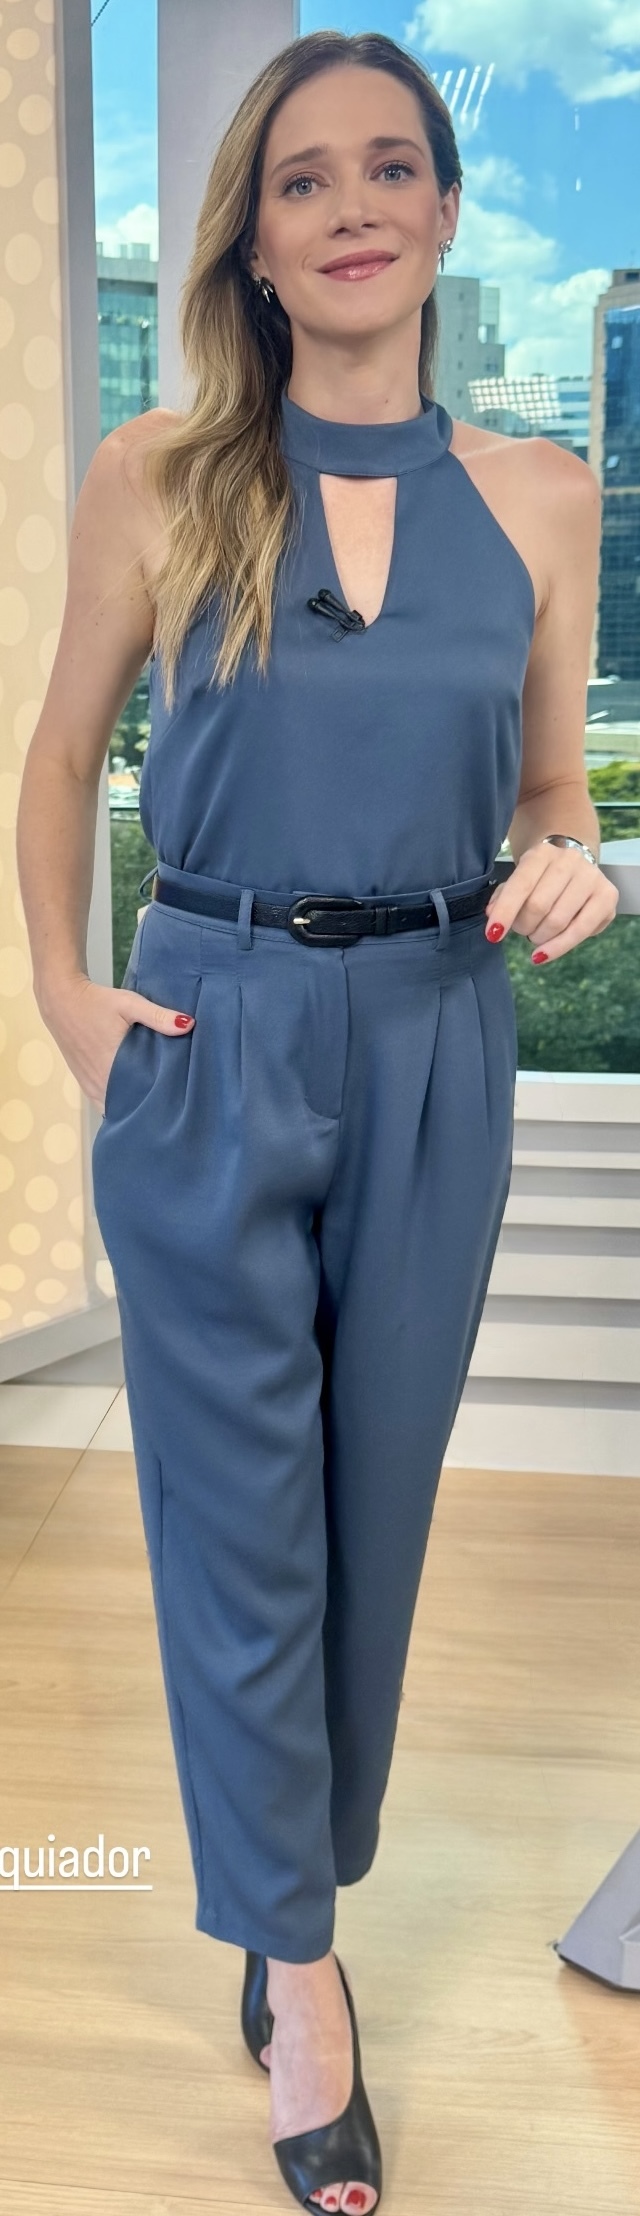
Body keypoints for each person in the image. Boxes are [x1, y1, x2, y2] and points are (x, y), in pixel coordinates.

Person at [17, 27, 617, 2216]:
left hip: (441, 1034)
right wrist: (73, 1004)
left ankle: (291, 1884)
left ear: (446, 212)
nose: (349, 204)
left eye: (388, 167)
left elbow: (547, 789)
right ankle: (296, 1969)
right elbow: (60, 755)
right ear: (253, 246)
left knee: (372, 1515)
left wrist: (575, 860)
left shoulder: (540, 495)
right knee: (240, 1525)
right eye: (301, 179)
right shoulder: (159, 472)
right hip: (214, 1020)